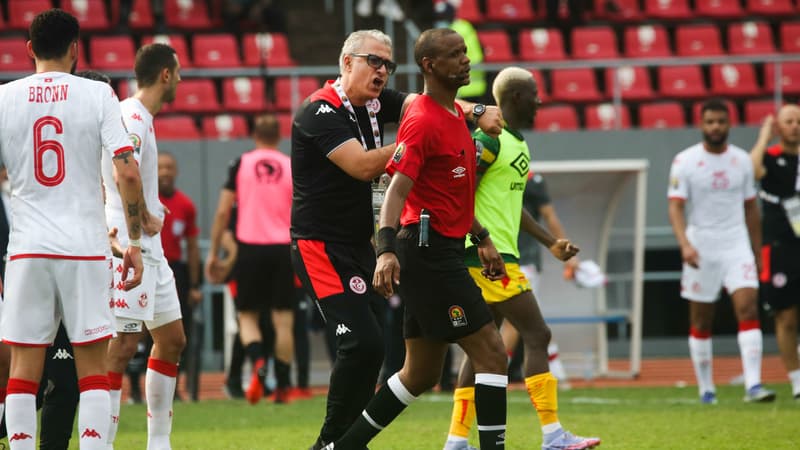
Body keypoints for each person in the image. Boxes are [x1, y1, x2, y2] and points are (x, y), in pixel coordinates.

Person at [290, 28, 503, 450]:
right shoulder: (319, 112)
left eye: (388, 64)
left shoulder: (376, 102)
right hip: (322, 246)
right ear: (346, 62)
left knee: (411, 367)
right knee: (364, 344)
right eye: (374, 61)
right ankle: (330, 444)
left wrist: (472, 111)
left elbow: (427, 104)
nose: (383, 71)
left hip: (364, 246)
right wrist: (422, 141)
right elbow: (366, 166)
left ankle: (346, 444)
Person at [0, 9, 145, 449]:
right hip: (84, 247)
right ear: (76, 50)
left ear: (29, 49)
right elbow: (127, 172)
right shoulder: (97, 95)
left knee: (23, 369)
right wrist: (135, 240)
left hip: (27, 249)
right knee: (93, 371)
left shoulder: (5, 97)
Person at [442, 66, 599, 450]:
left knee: (483, 347)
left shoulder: (518, 143)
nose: (540, 100)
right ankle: (552, 435)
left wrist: (550, 242)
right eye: (534, 93)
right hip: (488, 259)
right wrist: (479, 239)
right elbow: (459, 192)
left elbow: (516, 208)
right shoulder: (488, 140)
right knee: (537, 334)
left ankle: (456, 441)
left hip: (497, 256)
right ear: (515, 98)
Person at [103, 43, 187, 449]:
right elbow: (126, 176)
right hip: (130, 247)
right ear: (165, 75)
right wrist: (136, 228)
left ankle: (158, 444)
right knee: (121, 347)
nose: (183, 81)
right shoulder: (133, 117)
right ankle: (99, 442)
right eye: (179, 73)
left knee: (171, 340)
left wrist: (151, 209)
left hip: (148, 246)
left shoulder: (138, 117)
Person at [667, 98, 775, 404]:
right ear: (702, 125)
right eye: (710, 122)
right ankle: (706, 389)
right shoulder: (684, 161)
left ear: (729, 124)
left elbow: (751, 209)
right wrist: (685, 244)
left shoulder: (741, 160)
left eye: (721, 122)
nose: (716, 127)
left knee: (748, 307)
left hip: (736, 243)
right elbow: (675, 207)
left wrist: (755, 249)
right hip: (701, 246)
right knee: (701, 319)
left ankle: (753, 385)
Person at [206, 113, 295, 404]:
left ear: (254, 135)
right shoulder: (291, 165)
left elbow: (222, 212)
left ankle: (258, 362)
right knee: (284, 319)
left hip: (249, 247)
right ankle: (282, 387)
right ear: (278, 136)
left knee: (247, 316)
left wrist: (213, 252)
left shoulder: (240, 164)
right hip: (283, 249)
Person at [505, 172, 576, 386]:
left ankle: (492, 373)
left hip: (504, 258)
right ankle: (493, 373)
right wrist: (563, 247)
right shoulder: (528, 180)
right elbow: (549, 216)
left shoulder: (515, 179)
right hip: (516, 259)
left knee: (519, 320)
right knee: (523, 321)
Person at [749, 105, 800, 399]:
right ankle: (796, 381)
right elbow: (753, 169)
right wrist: (765, 134)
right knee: (786, 316)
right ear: (780, 127)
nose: (795, 126)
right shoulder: (770, 156)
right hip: (780, 246)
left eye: (798, 121)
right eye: (789, 122)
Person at [157, 151, 202, 401]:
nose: (165, 172)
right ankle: (133, 387)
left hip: (175, 271)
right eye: (161, 167)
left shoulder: (185, 205)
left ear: (176, 172)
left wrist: (195, 284)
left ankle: (172, 388)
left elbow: (193, 246)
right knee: (136, 333)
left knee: (176, 332)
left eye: (169, 167)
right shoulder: (145, 199)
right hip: (146, 266)